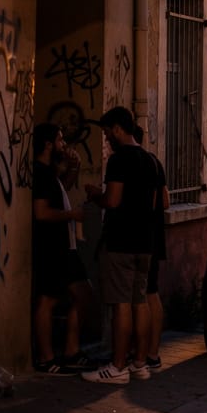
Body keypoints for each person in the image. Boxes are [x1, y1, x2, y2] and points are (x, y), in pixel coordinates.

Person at [81, 107, 159, 384]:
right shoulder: (150, 161)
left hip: (120, 242)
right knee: (140, 301)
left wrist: (95, 196)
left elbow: (112, 200)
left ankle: (117, 366)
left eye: (106, 133)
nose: (106, 139)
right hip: (144, 242)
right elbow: (154, 204)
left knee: (121, 304)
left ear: (117, 129)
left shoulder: (119, 160)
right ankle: (140, 363)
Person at [30, 123, 95, 374]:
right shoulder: (41, 173)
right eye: (59, 140)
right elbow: (41, 212)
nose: (64, 144)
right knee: (48, 299)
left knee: (82, 294)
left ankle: (71, 351)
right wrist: (72, 215)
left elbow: (61, 191)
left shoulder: (49, 173)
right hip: (52, 247)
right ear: (48, 144)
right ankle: (46, 359)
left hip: (65, 247)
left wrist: (74, 168)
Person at [133, 124, 169, 373]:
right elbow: (165, 201)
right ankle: (153, 353)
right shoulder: (155, 163)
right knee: (151, 293)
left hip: (139, 240)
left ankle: (139, 355)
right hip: (155, 239)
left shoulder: (134, 164)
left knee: (139, 297)